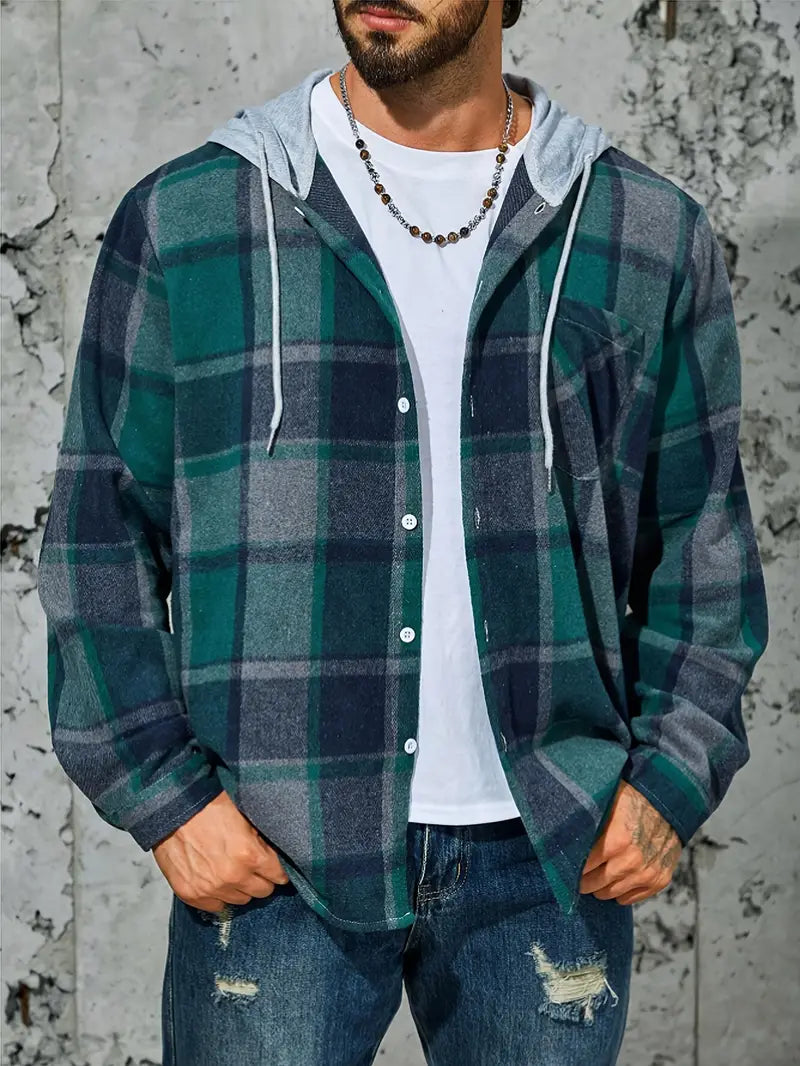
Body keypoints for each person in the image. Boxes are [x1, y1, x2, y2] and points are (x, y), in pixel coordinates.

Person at [36, 1, 769, 1063]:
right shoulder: (190, 218)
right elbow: (96, 536)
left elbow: (701, 544)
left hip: (549, 851)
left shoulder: (641, 231)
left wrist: (670, 777)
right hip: (275, 852)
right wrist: (165, 798)